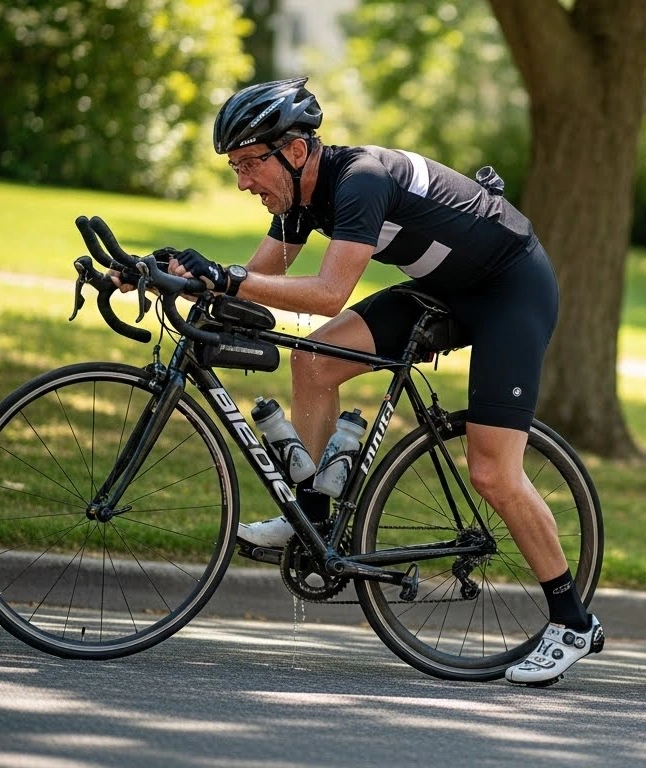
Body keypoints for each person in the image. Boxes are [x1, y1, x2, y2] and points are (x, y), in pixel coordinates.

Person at [151, 77, 601, 685]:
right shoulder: (298, 199)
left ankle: (572, 622)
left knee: (493, 472)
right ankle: (311, 518)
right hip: (444, 289)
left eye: (251, 164)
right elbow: (252, 283)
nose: (244, 182)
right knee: (313, 361)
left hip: (510, 292)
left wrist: (224, 278)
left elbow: (327, 293)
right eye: (236, 168)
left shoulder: (360, 180)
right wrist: (169, 272)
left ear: (296, 150)